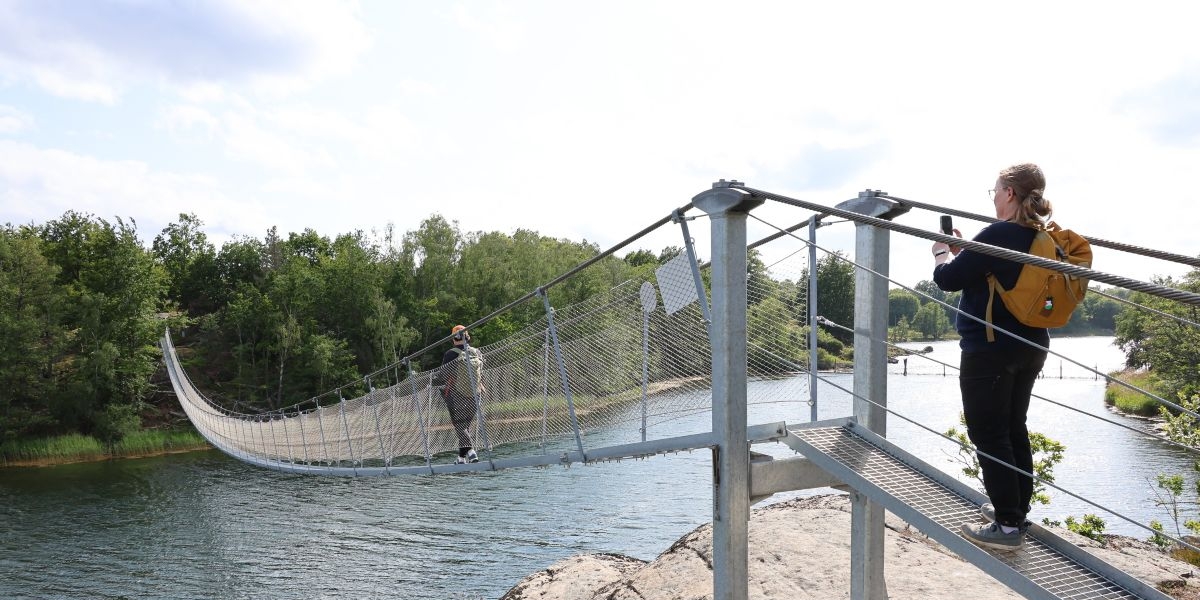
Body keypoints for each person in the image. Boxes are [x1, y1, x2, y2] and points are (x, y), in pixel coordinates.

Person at [931, 163, 1052, 551]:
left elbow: (949, 280)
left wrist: (939, 254)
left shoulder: (999, 233)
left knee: (988, 432)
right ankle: (1015, 512)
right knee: (1014, 428)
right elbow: (992, 273)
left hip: (990, 349)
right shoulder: (1039, 237)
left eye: (996, 190)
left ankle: (1006, 527)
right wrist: (965, 251)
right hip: (1031, 346)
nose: (995, 196)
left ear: (1010, 194)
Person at [434, 325, 485, 464]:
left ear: (453, 338)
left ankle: (471, 452)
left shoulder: (451, 354)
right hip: (476, 395)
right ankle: (461, 458)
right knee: (465, 426)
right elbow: (481, 373)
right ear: (467, 337)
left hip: (457, 395)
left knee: (460, 426)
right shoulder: (477, 352)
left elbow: (443, 376)